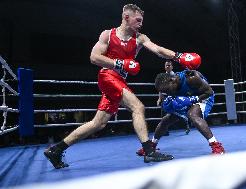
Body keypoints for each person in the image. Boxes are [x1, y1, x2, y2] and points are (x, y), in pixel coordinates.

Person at [44, 4, 200, 169]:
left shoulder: (140, 38)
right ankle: (149, 151)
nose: (140, 24)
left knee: (98, 123)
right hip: (107, 76)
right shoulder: (108, 35)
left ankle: (56, 149)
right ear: (126, 17)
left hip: (119, 80)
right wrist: (120, 63)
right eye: (137, 20)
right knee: (138, 107)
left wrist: (178, 56)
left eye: (142, 21)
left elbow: (158, 50)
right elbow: (94, 57)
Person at [136, 69, 225, 156]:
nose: (168, 92)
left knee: (192, 115)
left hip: (204, 97)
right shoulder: (169, 86)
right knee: (166, 120)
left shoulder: (191, 78)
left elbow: (209, 92)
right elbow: (168, 96)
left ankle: (216, 146)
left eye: (167, 90)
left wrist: (193, 99)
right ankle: (151, 146)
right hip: (185, 98)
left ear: (172, 80)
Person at [157, 60, 190, 136]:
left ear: (172, 67)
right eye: (166, 65)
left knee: (177, 114)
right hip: (165, 97)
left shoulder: (175, 76)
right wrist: (159, 98)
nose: (168, 67)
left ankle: (186, 125)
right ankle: (165, 131)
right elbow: (160, 89)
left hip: (173, 97)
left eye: (169, 65)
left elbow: (179, 87)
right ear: (165, 67)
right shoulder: (162, 76)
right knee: (163, 114)